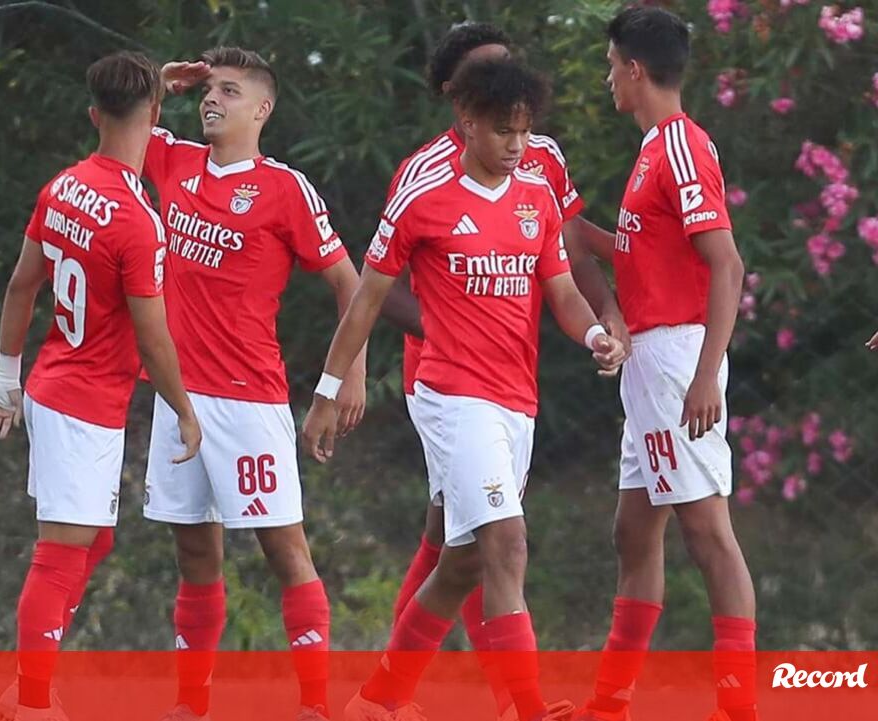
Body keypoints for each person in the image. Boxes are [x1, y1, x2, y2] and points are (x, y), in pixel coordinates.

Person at [302, 59, 627, 721]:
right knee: (508, 542)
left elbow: (562, 292)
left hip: (515, 400)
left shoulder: (535, 196)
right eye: (504, 130)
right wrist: (328, 390)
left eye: (525, 131)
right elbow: (367, 299)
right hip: (451, 395)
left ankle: (378, 698)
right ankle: (528, 707)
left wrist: (596, 334)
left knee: (463, 564)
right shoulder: (425, 196)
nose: (517, 145)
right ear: (468, 122)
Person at [141, 47, 366, 721]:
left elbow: (350, 283)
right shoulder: (174, 160)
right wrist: (159, 85)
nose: (212, 99)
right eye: (209, 89)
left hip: (248, 401)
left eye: (230, 90)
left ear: (262, 109)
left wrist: (345, 378)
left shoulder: (284, 188)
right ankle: (191, 704)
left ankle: (315, 704)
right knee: (193, 550)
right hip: (178, 398)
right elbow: (119, 123)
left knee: (284, 549)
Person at [0, 51, 202, 721]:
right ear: (155, 116)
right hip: (82, 405)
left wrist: (4, 377)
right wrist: (184, 409)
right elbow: (153, 337)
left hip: (59, 389)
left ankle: (31, 681)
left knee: (93, 541)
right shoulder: (139, 219)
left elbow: (21, 285)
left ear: (92, 115)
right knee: (60, 554)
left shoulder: (63, 187)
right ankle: (32, 699)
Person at [574, 8, 756, 721]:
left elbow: (727, 264)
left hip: (679, 357)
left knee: (707, 533)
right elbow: (644, 253)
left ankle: (737, 706)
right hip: (650, 363)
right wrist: (572, 227)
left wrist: (707, 374)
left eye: (610, 66)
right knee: (633, 532)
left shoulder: (681, 145)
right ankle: (610, 702)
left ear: (635, 69)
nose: (608, 78)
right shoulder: (654, 149)